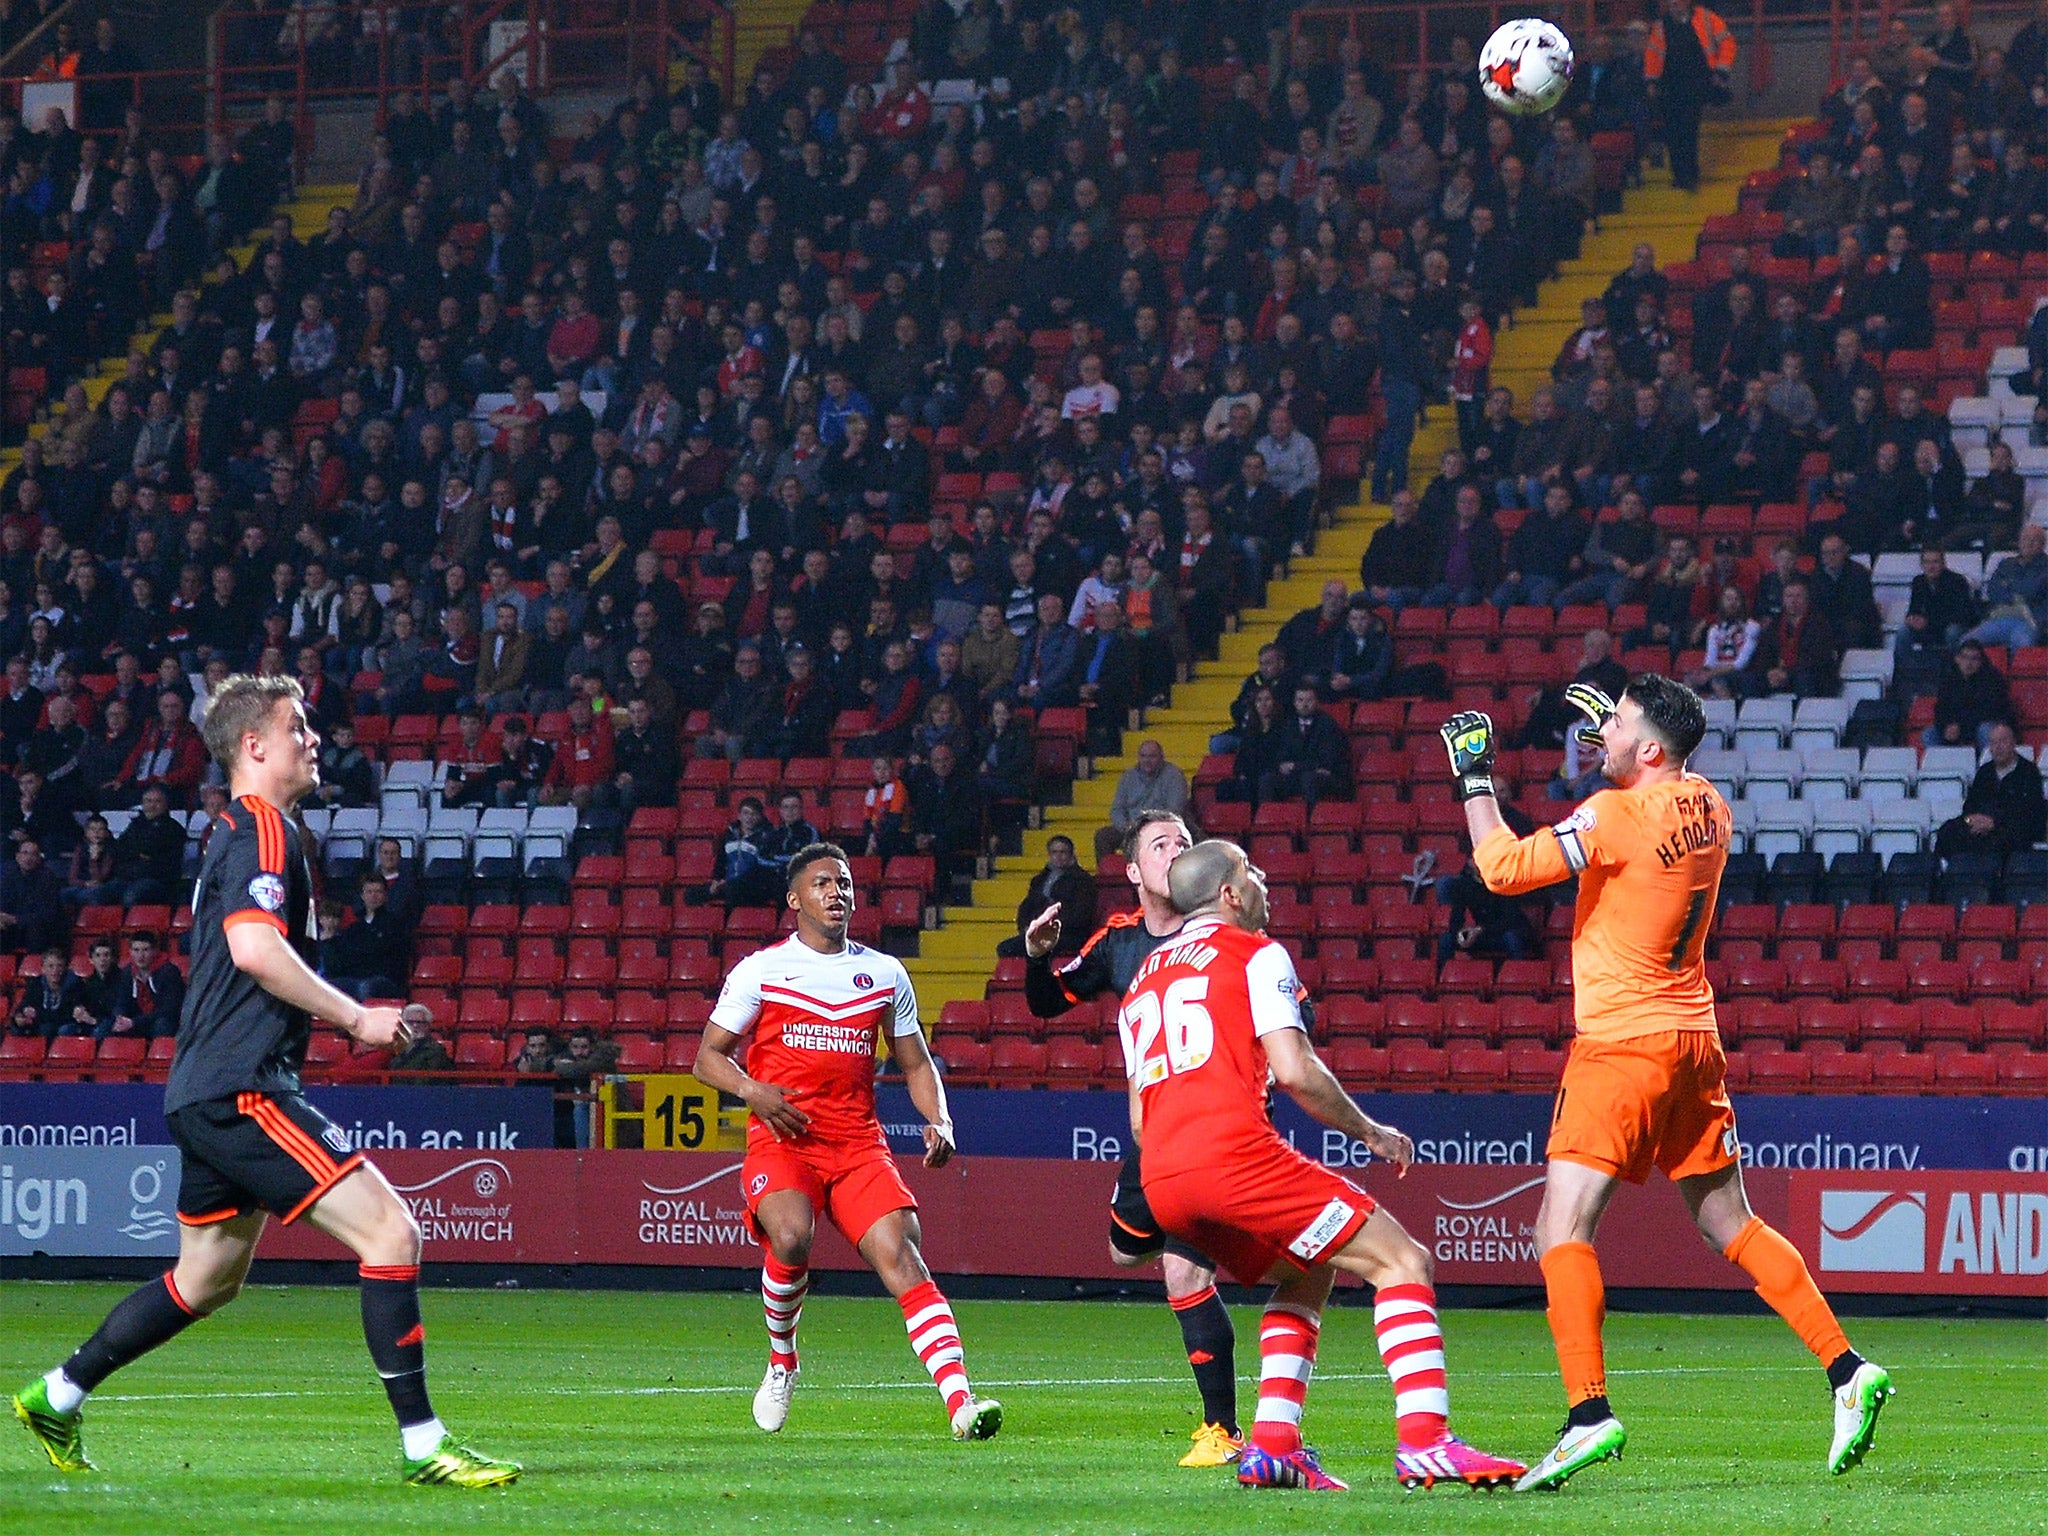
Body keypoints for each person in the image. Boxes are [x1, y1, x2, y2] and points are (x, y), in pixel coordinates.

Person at [11, 674, 517, 1487]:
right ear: (255, 746)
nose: (313, 740)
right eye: (299, 727)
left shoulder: (233, 836)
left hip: (203, 1087)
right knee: (393, 1235)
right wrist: (356, 1020)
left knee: (206, 1278)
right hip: (241, 1088)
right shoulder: (264, 833)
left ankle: (58, 1393)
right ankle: (426, 1446)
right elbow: (252, 949)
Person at [1442, 674, 1890, 1490]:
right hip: (1693, 1039)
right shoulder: (1707, 802)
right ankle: (1846, 1367)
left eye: (1616, 722)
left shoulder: (1615, 814)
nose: (1601, 728)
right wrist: (1609, 754)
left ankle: (1587, 1414)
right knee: (1732, 1224)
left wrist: (1475, 778)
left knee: (1559, 1231)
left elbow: (1503, 869)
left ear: (1650, 747)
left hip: (1620, 1044)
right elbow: (1636, 810)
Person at [1121, 838, 1526, 1493]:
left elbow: (1141, 1118)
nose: (1262, 882)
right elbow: (1296, 1070)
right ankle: (1426, 1442)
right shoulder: (1254, 952)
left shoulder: (1143, 979)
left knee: (1305, 1272)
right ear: (1229, 894)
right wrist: (1370, 1131)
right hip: (1231, 1158)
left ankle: (1274, 1447)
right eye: (1251, 872)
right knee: (1405, 1260)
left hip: (1162, 1178)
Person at [693, 843, 1002, 1442]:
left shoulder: (885, 973)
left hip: (858, 1143)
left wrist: (940, 1119)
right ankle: (783, 1360)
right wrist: (754, 1092)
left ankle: (960, 1404)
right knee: (790, 1235)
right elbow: (706, 1058)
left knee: (903, 1259)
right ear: (794, 900)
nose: (837, 892)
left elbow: (915, 1063)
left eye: (845, 883)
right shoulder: (760, 970)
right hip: (784, 1138)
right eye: (822, 884)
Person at [1019, 810, 1244, 1466]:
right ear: (1133, 871)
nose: (1175, 852)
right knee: (1124, 1253)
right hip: (1153, 1142)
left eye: (1183, 842)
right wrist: (1037, 957)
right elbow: (1046, 1003)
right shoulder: (1119, 943)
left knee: (1182, 1271)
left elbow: (1298, 1008)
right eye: (1159, 844)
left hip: (1217, 1133)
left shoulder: (1228, 935)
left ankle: (1221, 1430)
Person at [1934, 721, 2046, 857]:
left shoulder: (2029, 772)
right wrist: (1972, 820)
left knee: (2002, 839)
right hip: (1980, 826)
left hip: (2011, 830)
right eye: (1993, 743)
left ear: (2013, 743)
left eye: (2002, 741)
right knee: (1948, 831)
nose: (1998, 747)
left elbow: (2030, 813)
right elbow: (1970, 806)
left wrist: (1994, 823)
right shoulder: (1984, 772)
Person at [320, 873, 412, 1001]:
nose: (373, 896)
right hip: (355, 979)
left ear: (385, 896)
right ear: (362, 896)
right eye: (369, 892)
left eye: (378, 891)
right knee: (327, 986)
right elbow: (341, 962)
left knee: (365, 987)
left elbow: (394, 961)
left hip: (385, 981)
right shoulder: (354, 928)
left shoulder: (395, 924)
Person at [1007, 834, 1097, 959]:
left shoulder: (1083, 881)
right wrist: (1026, 927)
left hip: (1068, 934)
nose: (1058, 856)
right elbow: (1026, 907)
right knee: (1007, 947)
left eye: (1063, 852)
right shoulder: (1039, 880)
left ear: (1071, 854)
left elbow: (1081, 915)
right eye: (1054, 852)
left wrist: (1050, 928)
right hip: (1040, 932)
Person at [1101, 739, 1191, 860]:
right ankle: (1111, 874)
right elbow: (1117, 809)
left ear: (1161, 757)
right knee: (1103, 837)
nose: (1147, 761)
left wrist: (1150, 828)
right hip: (1131, 828)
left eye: (1152, 756)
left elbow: (1174, 811)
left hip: (1162, 827)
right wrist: (1127, 828)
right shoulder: (1128, 777)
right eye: (1143, 756)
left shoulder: (1174, 776)